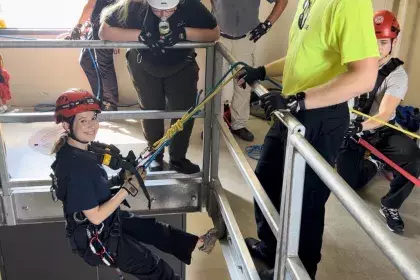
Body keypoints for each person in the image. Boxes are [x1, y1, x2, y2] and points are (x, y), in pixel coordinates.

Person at [236, 0, 380, 278]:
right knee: (267, 179)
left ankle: (299, 271)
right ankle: (272, 247)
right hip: (292, 109)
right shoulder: (309, 2)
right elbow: (302, 56)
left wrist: (299, 101)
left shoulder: (350, 4)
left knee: (306, 202)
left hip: (320, 114)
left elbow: (364, 77)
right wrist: (264, 71)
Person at [50, 88, 218, 279]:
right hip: (99, 238)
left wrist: (120, 179)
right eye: (83, 121)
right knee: (157, 270)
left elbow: (96, 190)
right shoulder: (76, 168)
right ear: (66, 125)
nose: (91, 126)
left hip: (107, 222)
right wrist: (127, 188)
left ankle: (199, 243)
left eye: (93, 118)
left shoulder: (81, 150)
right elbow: (95, 216)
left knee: (153, 229)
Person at [99, 0, 220, 174]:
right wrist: (141, 36)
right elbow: (104, 32)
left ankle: (178, 158)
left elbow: (214, 33)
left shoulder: (191, 4)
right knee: (151, 110)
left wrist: (183, 33)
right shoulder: (134, 5)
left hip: (181, 65)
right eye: (157, 11)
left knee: (183, 112)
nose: (163, 15)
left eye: (169, 11)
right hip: (143, 64)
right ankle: (155, 155)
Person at [336, 10, 420, 234]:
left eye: (383, 42)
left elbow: (384, 114)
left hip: (379, 130)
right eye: (373, 42)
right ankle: (375, 163)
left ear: (392, 42)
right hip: (353, 129)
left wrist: (360, 126)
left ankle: (390, 205)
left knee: (413, 156)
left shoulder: (397, 75)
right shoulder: (353, 64)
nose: (377, 48)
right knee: (349, 183)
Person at [210, 0, 289, 142]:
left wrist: (267, 25)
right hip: (219, 37)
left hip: (245, 39)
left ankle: (238, 124)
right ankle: (213, 125)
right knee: (215, 84)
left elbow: (282, 1)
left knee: (243, 83)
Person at [69, 0, 119, 111]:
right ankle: (100, 98)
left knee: (104, 64)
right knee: (85, 60)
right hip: (96, 24)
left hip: (106, 25)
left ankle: (109, 104)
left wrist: (78, 26)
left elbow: (91, 5)